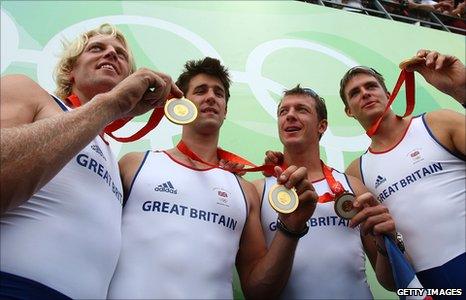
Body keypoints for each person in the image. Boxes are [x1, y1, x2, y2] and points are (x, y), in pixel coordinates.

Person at [107, 57, 317, 299]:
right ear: (179, 103)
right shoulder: (134, 165)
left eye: (219, 93)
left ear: (225, 111)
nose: (210, 97)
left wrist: (291, 228)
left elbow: (258, 291)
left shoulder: (245, 190)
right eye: (200, 91)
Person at [0, 23, 182, 299]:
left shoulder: (109, 152)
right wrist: (110, 105)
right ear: (70, 70)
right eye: (97, 48)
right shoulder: (29, 93)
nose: (111, 54)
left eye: (120, 55)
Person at [339, 49, 465, 290]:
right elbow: (388, 281)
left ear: (388, 94)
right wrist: (385, 244)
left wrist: (461, 90)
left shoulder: (439, 123)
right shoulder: (356, 174)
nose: (365, 93)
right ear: (349, 111)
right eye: (355, 93)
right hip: (430, 286)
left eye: (370, 86)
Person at [257, 85, 397, 299]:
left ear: (322, 126)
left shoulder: (353, 186)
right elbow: (255, 292)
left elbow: (390, 283)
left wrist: (388, 244)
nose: (290, 115)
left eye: (301, 110)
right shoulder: (258, 191)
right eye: (283, 112)